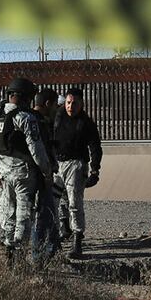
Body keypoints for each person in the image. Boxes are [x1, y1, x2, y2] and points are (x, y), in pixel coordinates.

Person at [0, 77, 53, 259]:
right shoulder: (25, 118)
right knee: (23, 216)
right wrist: (46, 172)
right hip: (24, 174)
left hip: (4, 173)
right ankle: (19, 256)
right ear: (26, 97)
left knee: (8, 214)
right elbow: (37, 150)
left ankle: (9, 252)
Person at [53, 87, 102, 259]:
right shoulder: (58, 116)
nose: (70, 106)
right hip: (57, 164)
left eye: (74, 103)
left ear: (81, 104)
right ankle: (57, 235)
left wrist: (95, 170)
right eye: (68, 102)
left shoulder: (86, 123)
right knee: (53, 201)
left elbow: (95, 146)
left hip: (76, 165)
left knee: (75, 203)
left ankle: (77, 241)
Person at [30, 88, 61, 262]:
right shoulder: (36, 122)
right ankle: (40, 256)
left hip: (40, 175)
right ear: (48, 104)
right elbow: (38, 151)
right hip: (40, 176)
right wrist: (47, 172)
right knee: (42, 215)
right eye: (55, 105)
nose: (57, 109)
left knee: (48, 213)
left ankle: (52, 250)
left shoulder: (38, 120)